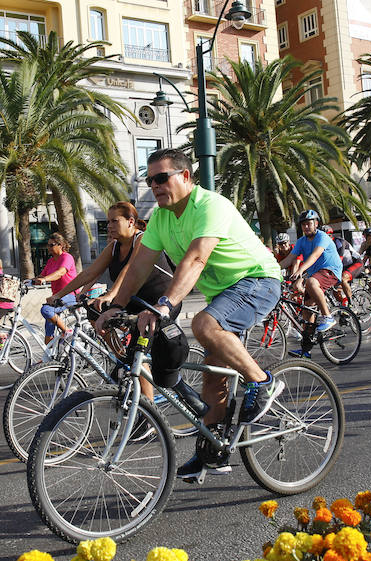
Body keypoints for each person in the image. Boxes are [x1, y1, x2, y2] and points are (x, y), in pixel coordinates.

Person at [94, 148, 283, 479]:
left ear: (185, 176)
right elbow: (138, 267)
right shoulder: (162, 219)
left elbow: (196, 259)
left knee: (203, 323)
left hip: (257, 280)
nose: (154, 185)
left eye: (161, 178)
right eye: (149, 180)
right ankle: (214, 451)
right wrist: (115, 307)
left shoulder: (210, 206)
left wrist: (165, 305)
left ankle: (262, 381)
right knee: (213, 376)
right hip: (224, 293)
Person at [47, 201, 180, 403]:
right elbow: (91, 272)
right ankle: (121, 355)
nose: (109, 225)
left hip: (160, 302)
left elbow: (130, 271)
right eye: (108, 221)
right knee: (94, 312)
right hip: (135, 302)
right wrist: (62, 295)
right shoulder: (115, 246)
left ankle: (149, 412)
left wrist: (111, 296)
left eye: (114, 221)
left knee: (139, 352)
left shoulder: (142, 239)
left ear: (131, 222)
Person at [276, 213, 342, 359]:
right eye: (303, 224)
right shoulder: (301, 241)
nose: (306, 227)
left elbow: (315, 256)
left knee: (311, 282)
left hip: (330, 270)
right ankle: (306, 350)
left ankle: (327, 316)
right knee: (307, 311)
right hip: (315, 274)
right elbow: (290, 258)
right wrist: (272, 269)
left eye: (309, 223)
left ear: (316, 224)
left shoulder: (322, 237)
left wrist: (300, 270)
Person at [33, 233, 78, 343]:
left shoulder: (67, 257)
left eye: (51, 245)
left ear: (61, 245)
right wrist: (30, 281)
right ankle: (48, 357)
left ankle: (68, 331)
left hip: (70, 295)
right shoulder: (51, 261)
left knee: (46, 310)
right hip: (56, 297)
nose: (48, 248)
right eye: (47, 245)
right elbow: (41, 276)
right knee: (49, 329)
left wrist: (44, 280)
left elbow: (60, 273)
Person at [323, 225, 362, 305]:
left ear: (330, 236)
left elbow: (338, 260)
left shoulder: (339, 242)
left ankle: (351, 304)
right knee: (334, 290)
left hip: (355, 263)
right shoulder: (323, 246)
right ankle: (345, 305)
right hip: (343, 267)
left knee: (343, 278)